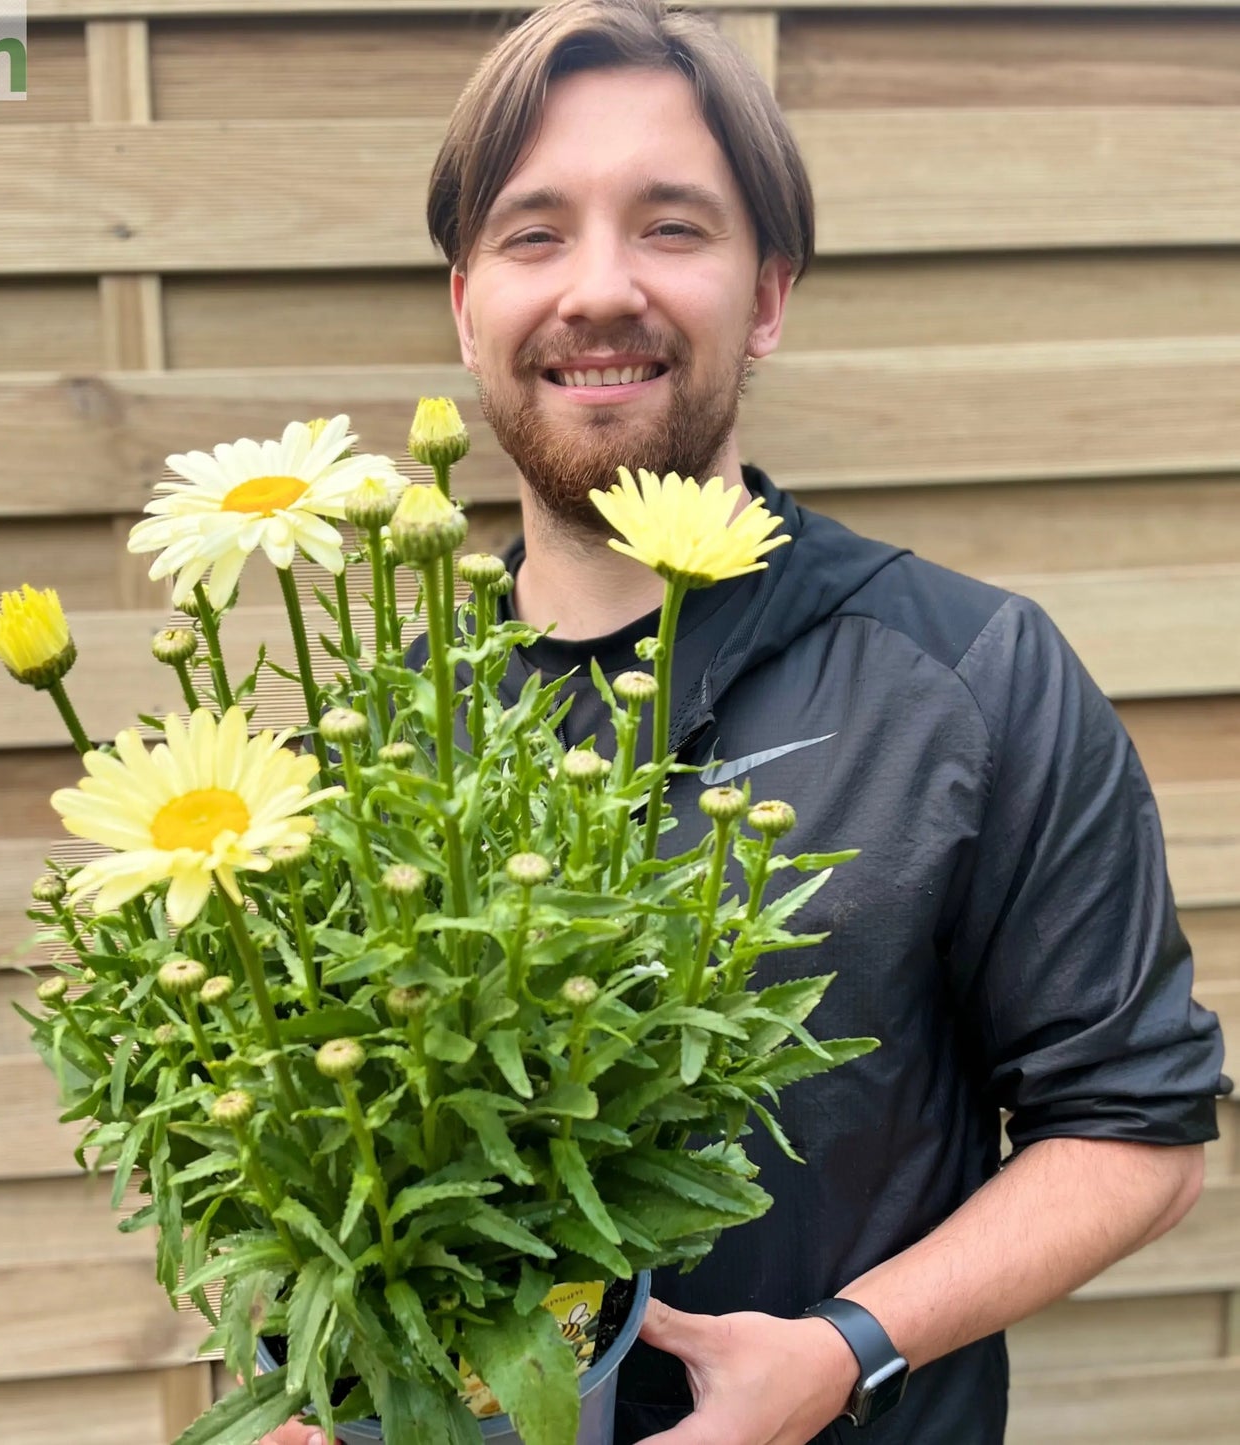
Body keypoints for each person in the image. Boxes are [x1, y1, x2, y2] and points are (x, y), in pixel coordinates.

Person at [264, 2, 1225, 1442]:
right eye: (534, 234)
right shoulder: (376, 740)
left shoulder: (970, 676)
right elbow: (324, 1187)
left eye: (671, 227)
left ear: (766, 294)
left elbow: (1137, 1133)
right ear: (466, 305)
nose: (599, 288)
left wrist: (847, 1349)